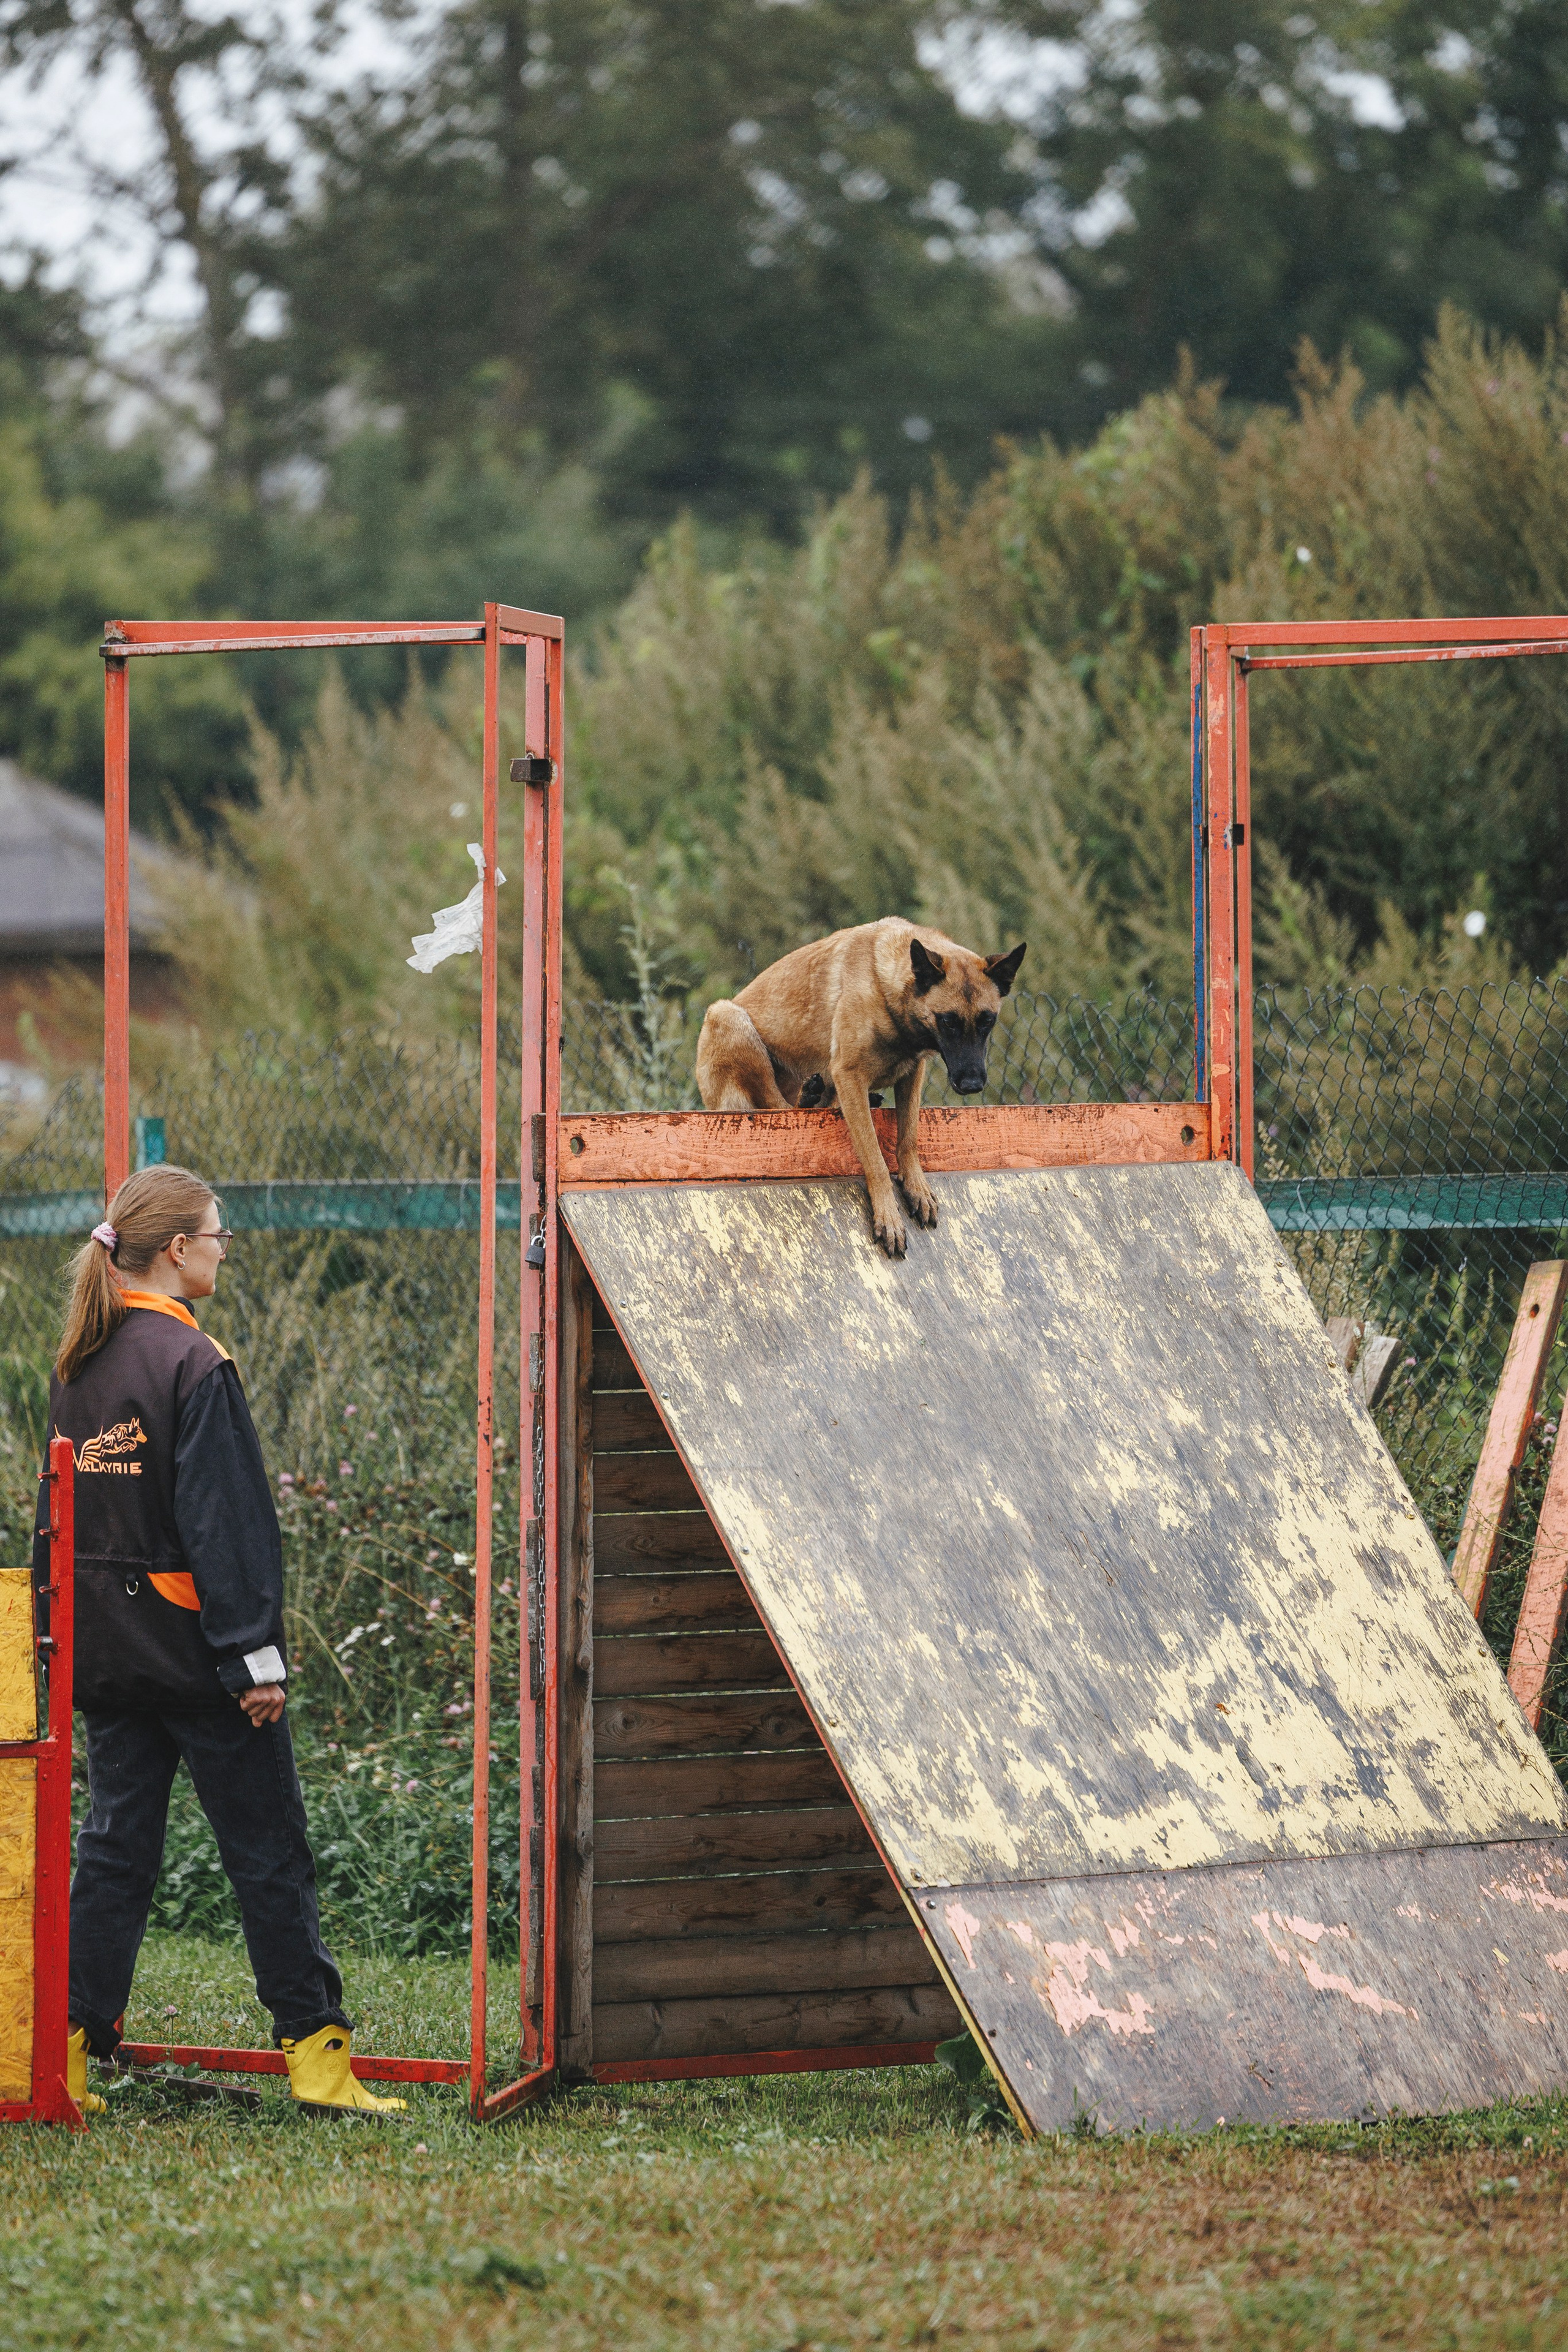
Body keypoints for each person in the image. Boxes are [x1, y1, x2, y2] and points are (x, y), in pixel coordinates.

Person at [33, 1162, 404, 2116]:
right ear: (177, 1249)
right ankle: (319, 2064)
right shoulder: (197, 1365)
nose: (225, 1247)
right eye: (218, 1232)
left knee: (114, 1853)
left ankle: (67, 2060)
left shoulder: (79, 1365)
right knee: (268, 1853)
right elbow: (226, 1525)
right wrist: (254, 1657)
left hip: (110, 1655)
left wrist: (60, 1641)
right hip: (203, 1661)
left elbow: (62, 1525)